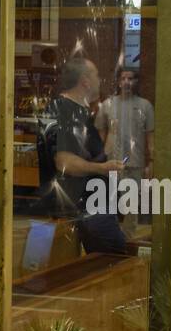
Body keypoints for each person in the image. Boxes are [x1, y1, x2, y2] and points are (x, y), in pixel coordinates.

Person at [39, 57, 128, 254]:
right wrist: (103, 168)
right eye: (96, 75)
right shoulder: (63, 110)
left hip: (91, 209)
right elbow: (65, 162)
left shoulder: (79, 112)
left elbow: (88, 156)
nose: (99, 80)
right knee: (115, 263)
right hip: (86, 210)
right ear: (85, 81)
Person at [95, 69, 155, 234]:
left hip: (134, 163)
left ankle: (128, 236)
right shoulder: (108, 104)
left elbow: (151, 136)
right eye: (124, 78)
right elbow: (100, 132)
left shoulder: (145, 106)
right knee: (110, 201)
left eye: (131, 78)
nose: (127, 82)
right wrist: (102, 155)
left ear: (136, 82)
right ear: (119, 82)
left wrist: (152, 161)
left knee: (131, 204)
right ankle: (110, 235)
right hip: (111, 162)